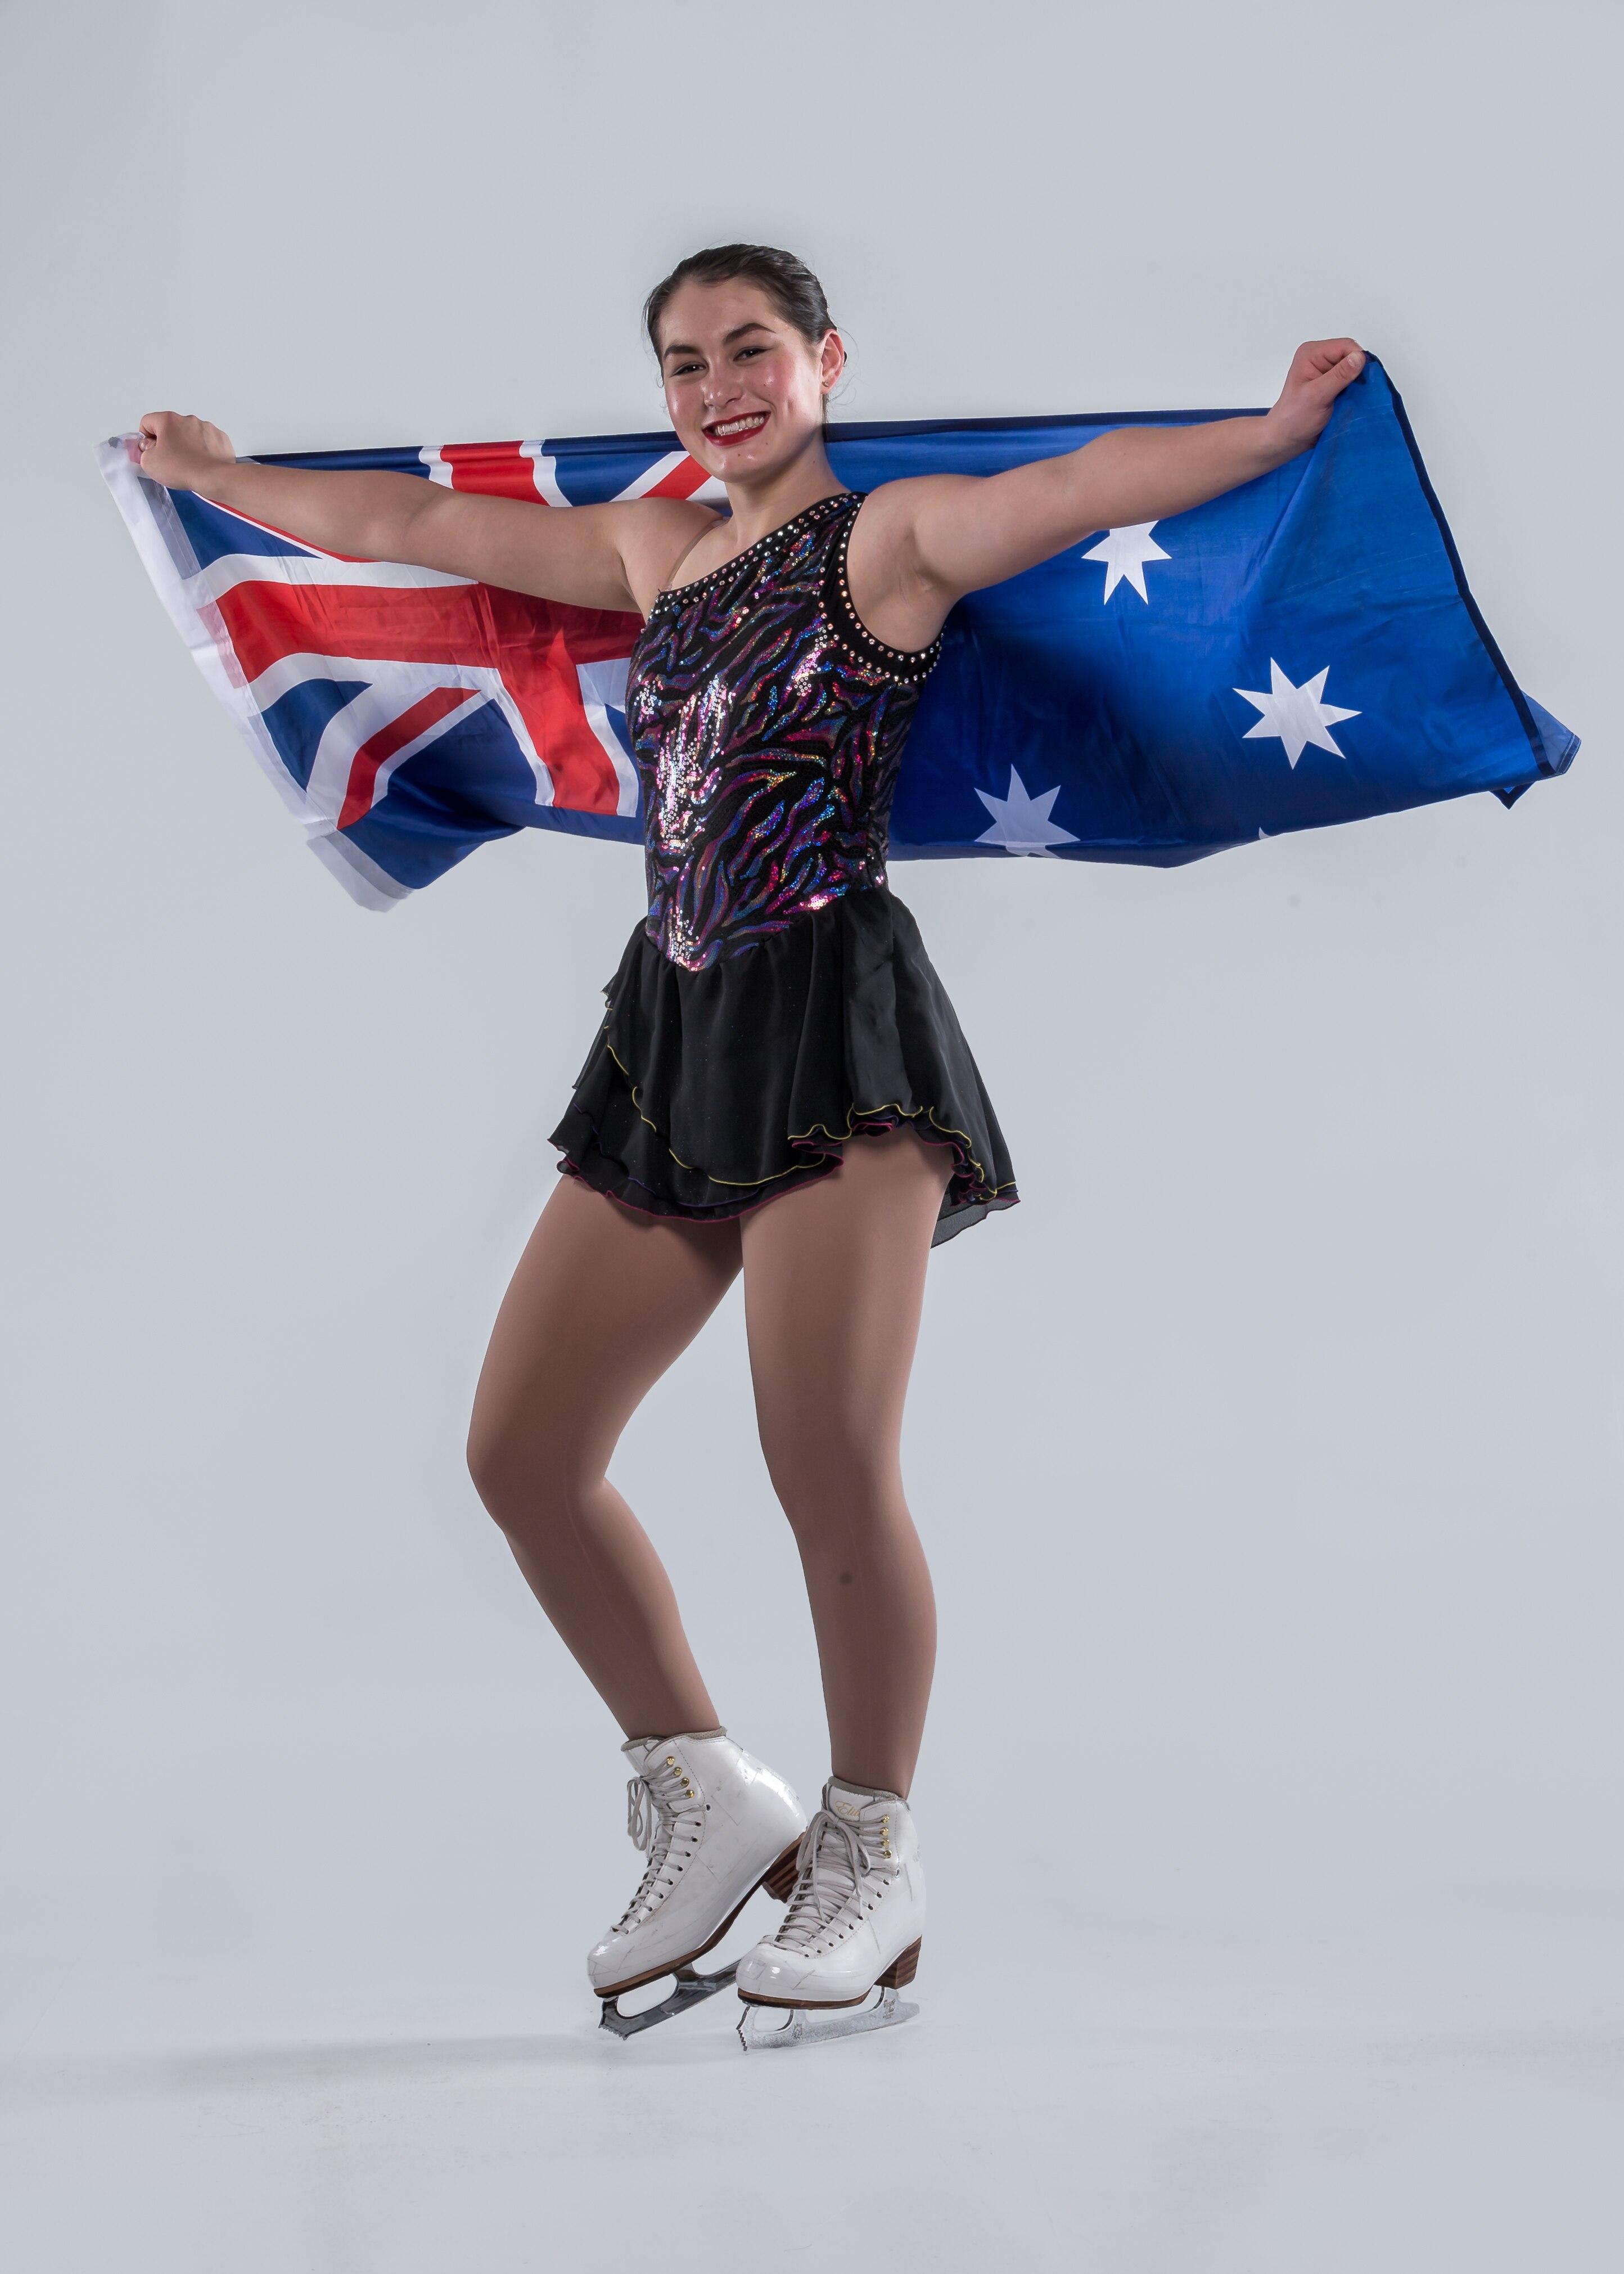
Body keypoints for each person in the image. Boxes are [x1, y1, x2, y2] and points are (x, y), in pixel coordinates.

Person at [136, 244, 1363, 2036]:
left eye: (753, 350)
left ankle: (874, 1845)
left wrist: (1267, 429)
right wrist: (226, 480)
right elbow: (423, 531)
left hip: (834, 1017)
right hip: (678, 1018)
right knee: (522, 1450)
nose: (720, 384)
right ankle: (711, 1794)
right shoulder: (658, 553)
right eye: (687, 360)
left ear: (824, 363)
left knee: (822, 1454)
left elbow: (1081, 487)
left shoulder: (893, 542)